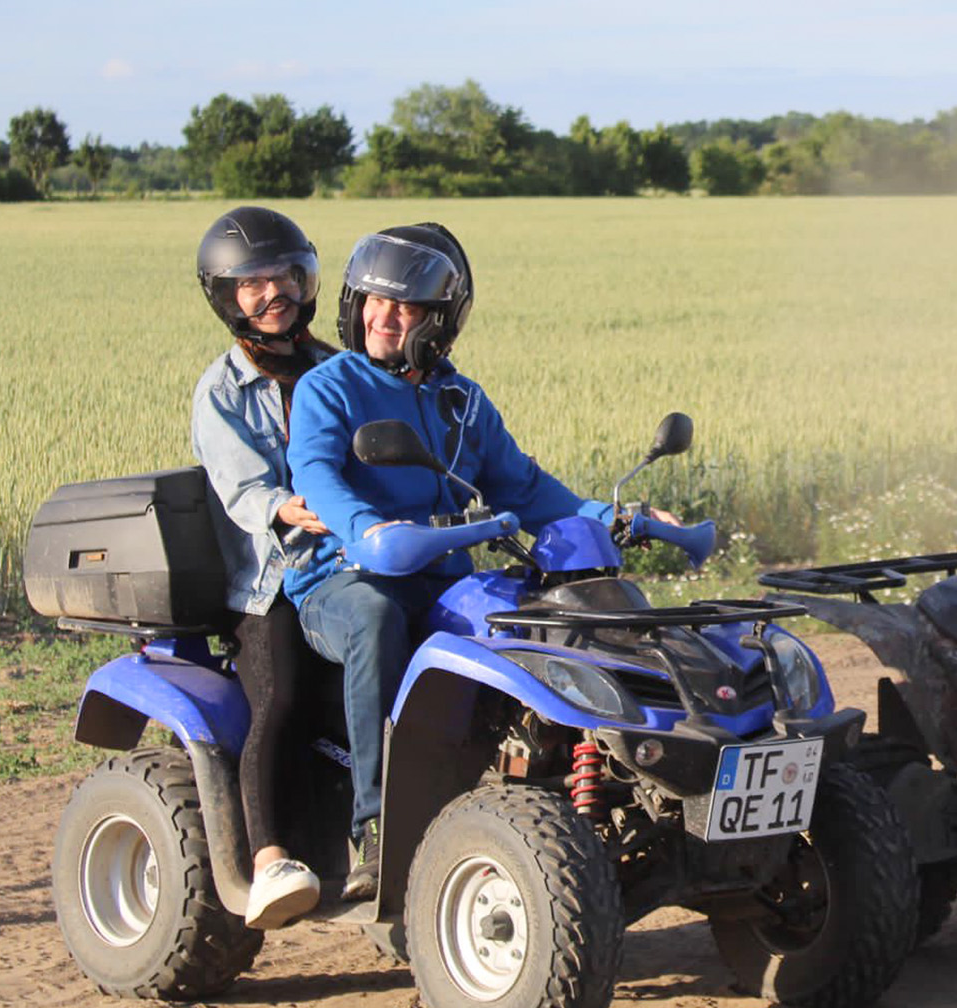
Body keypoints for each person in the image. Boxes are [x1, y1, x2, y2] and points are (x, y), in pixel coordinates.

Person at [284, 222, 678, 900]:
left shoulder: (461, 402)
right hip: (344, 579)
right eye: (374, 300)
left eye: (405, 306)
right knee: (377, 618)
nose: (384, 316)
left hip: (440, 577)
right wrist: (367, 529)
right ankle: (375, 830)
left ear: (439, 321)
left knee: (535, 618)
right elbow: (316, 472)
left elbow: (526, 491)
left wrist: (615, 519)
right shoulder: (331, 387)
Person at [189, 206, 335, 929]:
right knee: (278, 697)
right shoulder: (220, 392)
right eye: (251, 284)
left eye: (282, 276)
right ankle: (272, 858)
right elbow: (244, 489)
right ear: (226, 297)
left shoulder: (337, 369)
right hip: (268, 579)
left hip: (344, 558)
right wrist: (291, 506)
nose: (271, 293)